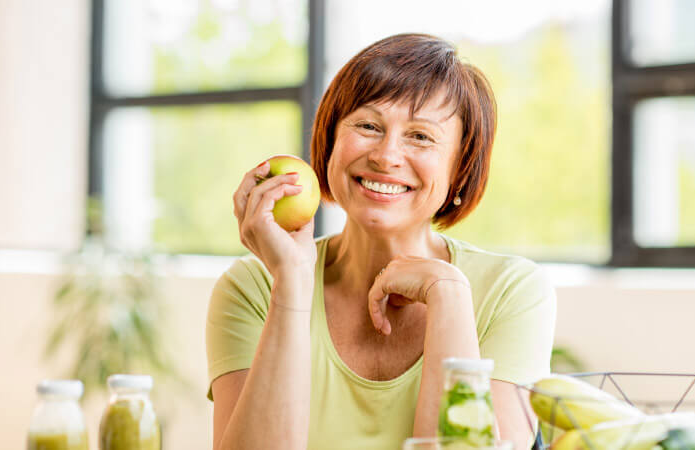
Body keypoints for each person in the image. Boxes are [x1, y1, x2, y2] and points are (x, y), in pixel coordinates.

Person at [206, 33, 556, 450]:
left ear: (460, 169)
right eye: (368, 126)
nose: (386, 156)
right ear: (330, 141)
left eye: (421, 136)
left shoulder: (510, 291)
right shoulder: (255, 287)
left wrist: (448, 296)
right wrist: (293, 282)